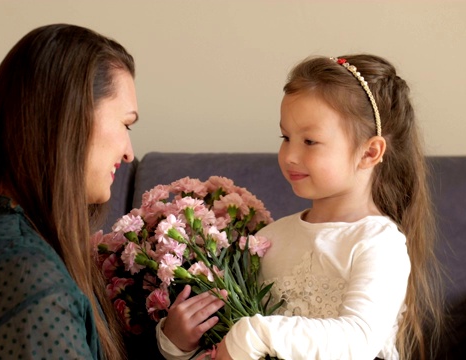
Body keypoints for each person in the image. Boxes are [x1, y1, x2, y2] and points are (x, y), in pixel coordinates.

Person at [157, 54, 443, 360]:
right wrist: (176, 343)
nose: (290, 155)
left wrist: (254, 334)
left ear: (369, 152)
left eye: (309, 141)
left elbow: (359, 339)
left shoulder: (378, 242)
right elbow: (227, 348)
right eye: (286, 137)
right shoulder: (270, 239)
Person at [0, 24, 139, 360]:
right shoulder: (25, 272)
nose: (129, 152)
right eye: (126, 123)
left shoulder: (11, 244)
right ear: (70, 117)